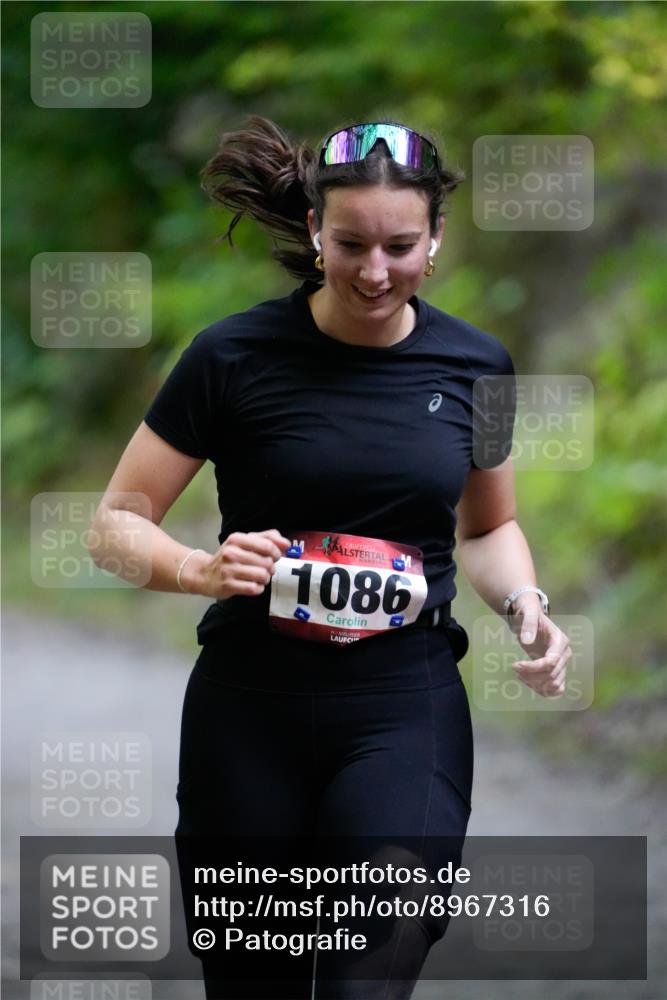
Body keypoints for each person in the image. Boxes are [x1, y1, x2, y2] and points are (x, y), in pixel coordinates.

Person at [90, 117, 571, 999]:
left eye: (399, 245)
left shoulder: (480, 367)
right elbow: (116, 522)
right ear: (314, 232)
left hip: (404, 708)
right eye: (350, 244)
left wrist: (523, 603)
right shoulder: (230, 357)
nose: (374, 270)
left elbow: (486, 528)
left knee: (367, 981)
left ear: (435, 242)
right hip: (250, 711)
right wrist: (198, 568)